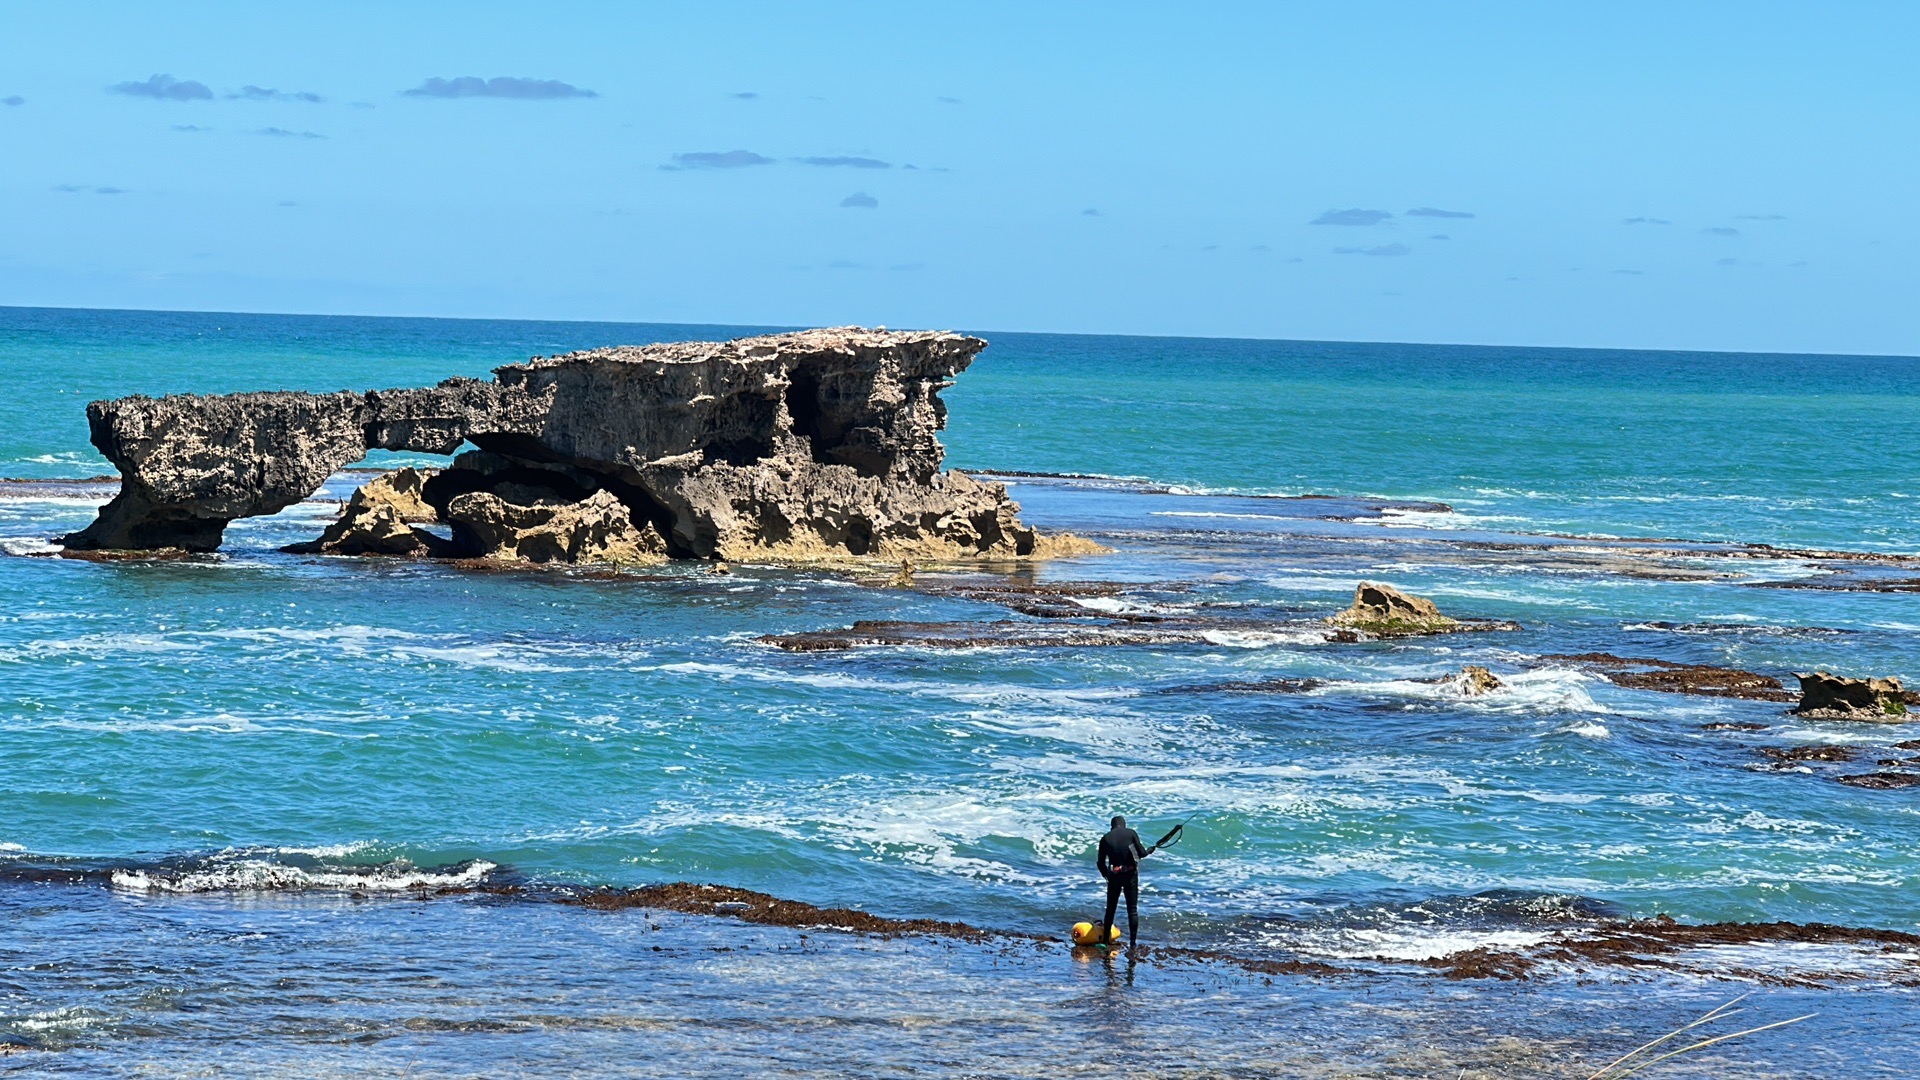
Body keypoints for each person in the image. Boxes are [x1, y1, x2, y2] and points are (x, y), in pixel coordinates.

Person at [1096, 815, 1155, 950]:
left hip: (1114, 875)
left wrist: (1107, 876)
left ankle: (1105, 941)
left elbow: (1100, 863)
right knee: (1132, 910)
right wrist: (1150, 850)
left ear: (1112, 826)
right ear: (1124, 824)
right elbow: (1141, 854)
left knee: (1110, 909)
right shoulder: (1131, 833)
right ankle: (1133, 943)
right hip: (1130, 875)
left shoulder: (1105, 838)